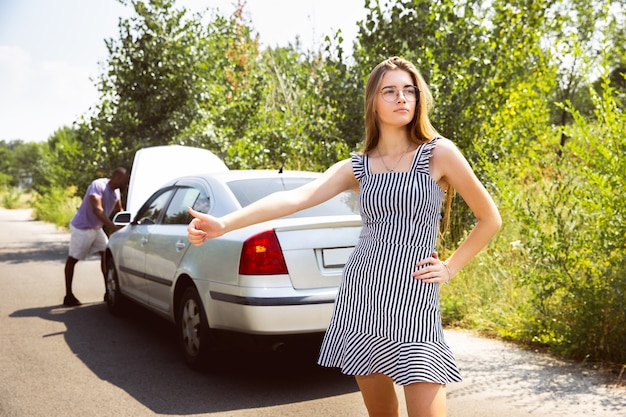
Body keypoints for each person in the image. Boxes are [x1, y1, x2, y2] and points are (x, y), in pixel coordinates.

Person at [187, 56, 501, 417]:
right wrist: (224, 224)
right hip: (362, 293)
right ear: (373, 101)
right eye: (390, 91)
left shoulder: (439, 153)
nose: (402, 98)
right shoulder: (357, 165)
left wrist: (450, 267)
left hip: (415, 293)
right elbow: (294, 198)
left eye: (409, 91)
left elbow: (489, 218)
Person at [63, 167, 130, 306]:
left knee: (106, 255)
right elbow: (97, 209)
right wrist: (113, 228)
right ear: (117, 178)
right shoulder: (98, 185)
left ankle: (108, 292)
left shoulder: (116, 192)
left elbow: (120, 210)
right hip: (82, 227)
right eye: (125, 182)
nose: (126, 185)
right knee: (73, 260)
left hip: (96, 228)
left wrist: (124, 222)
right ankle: (68, 295)